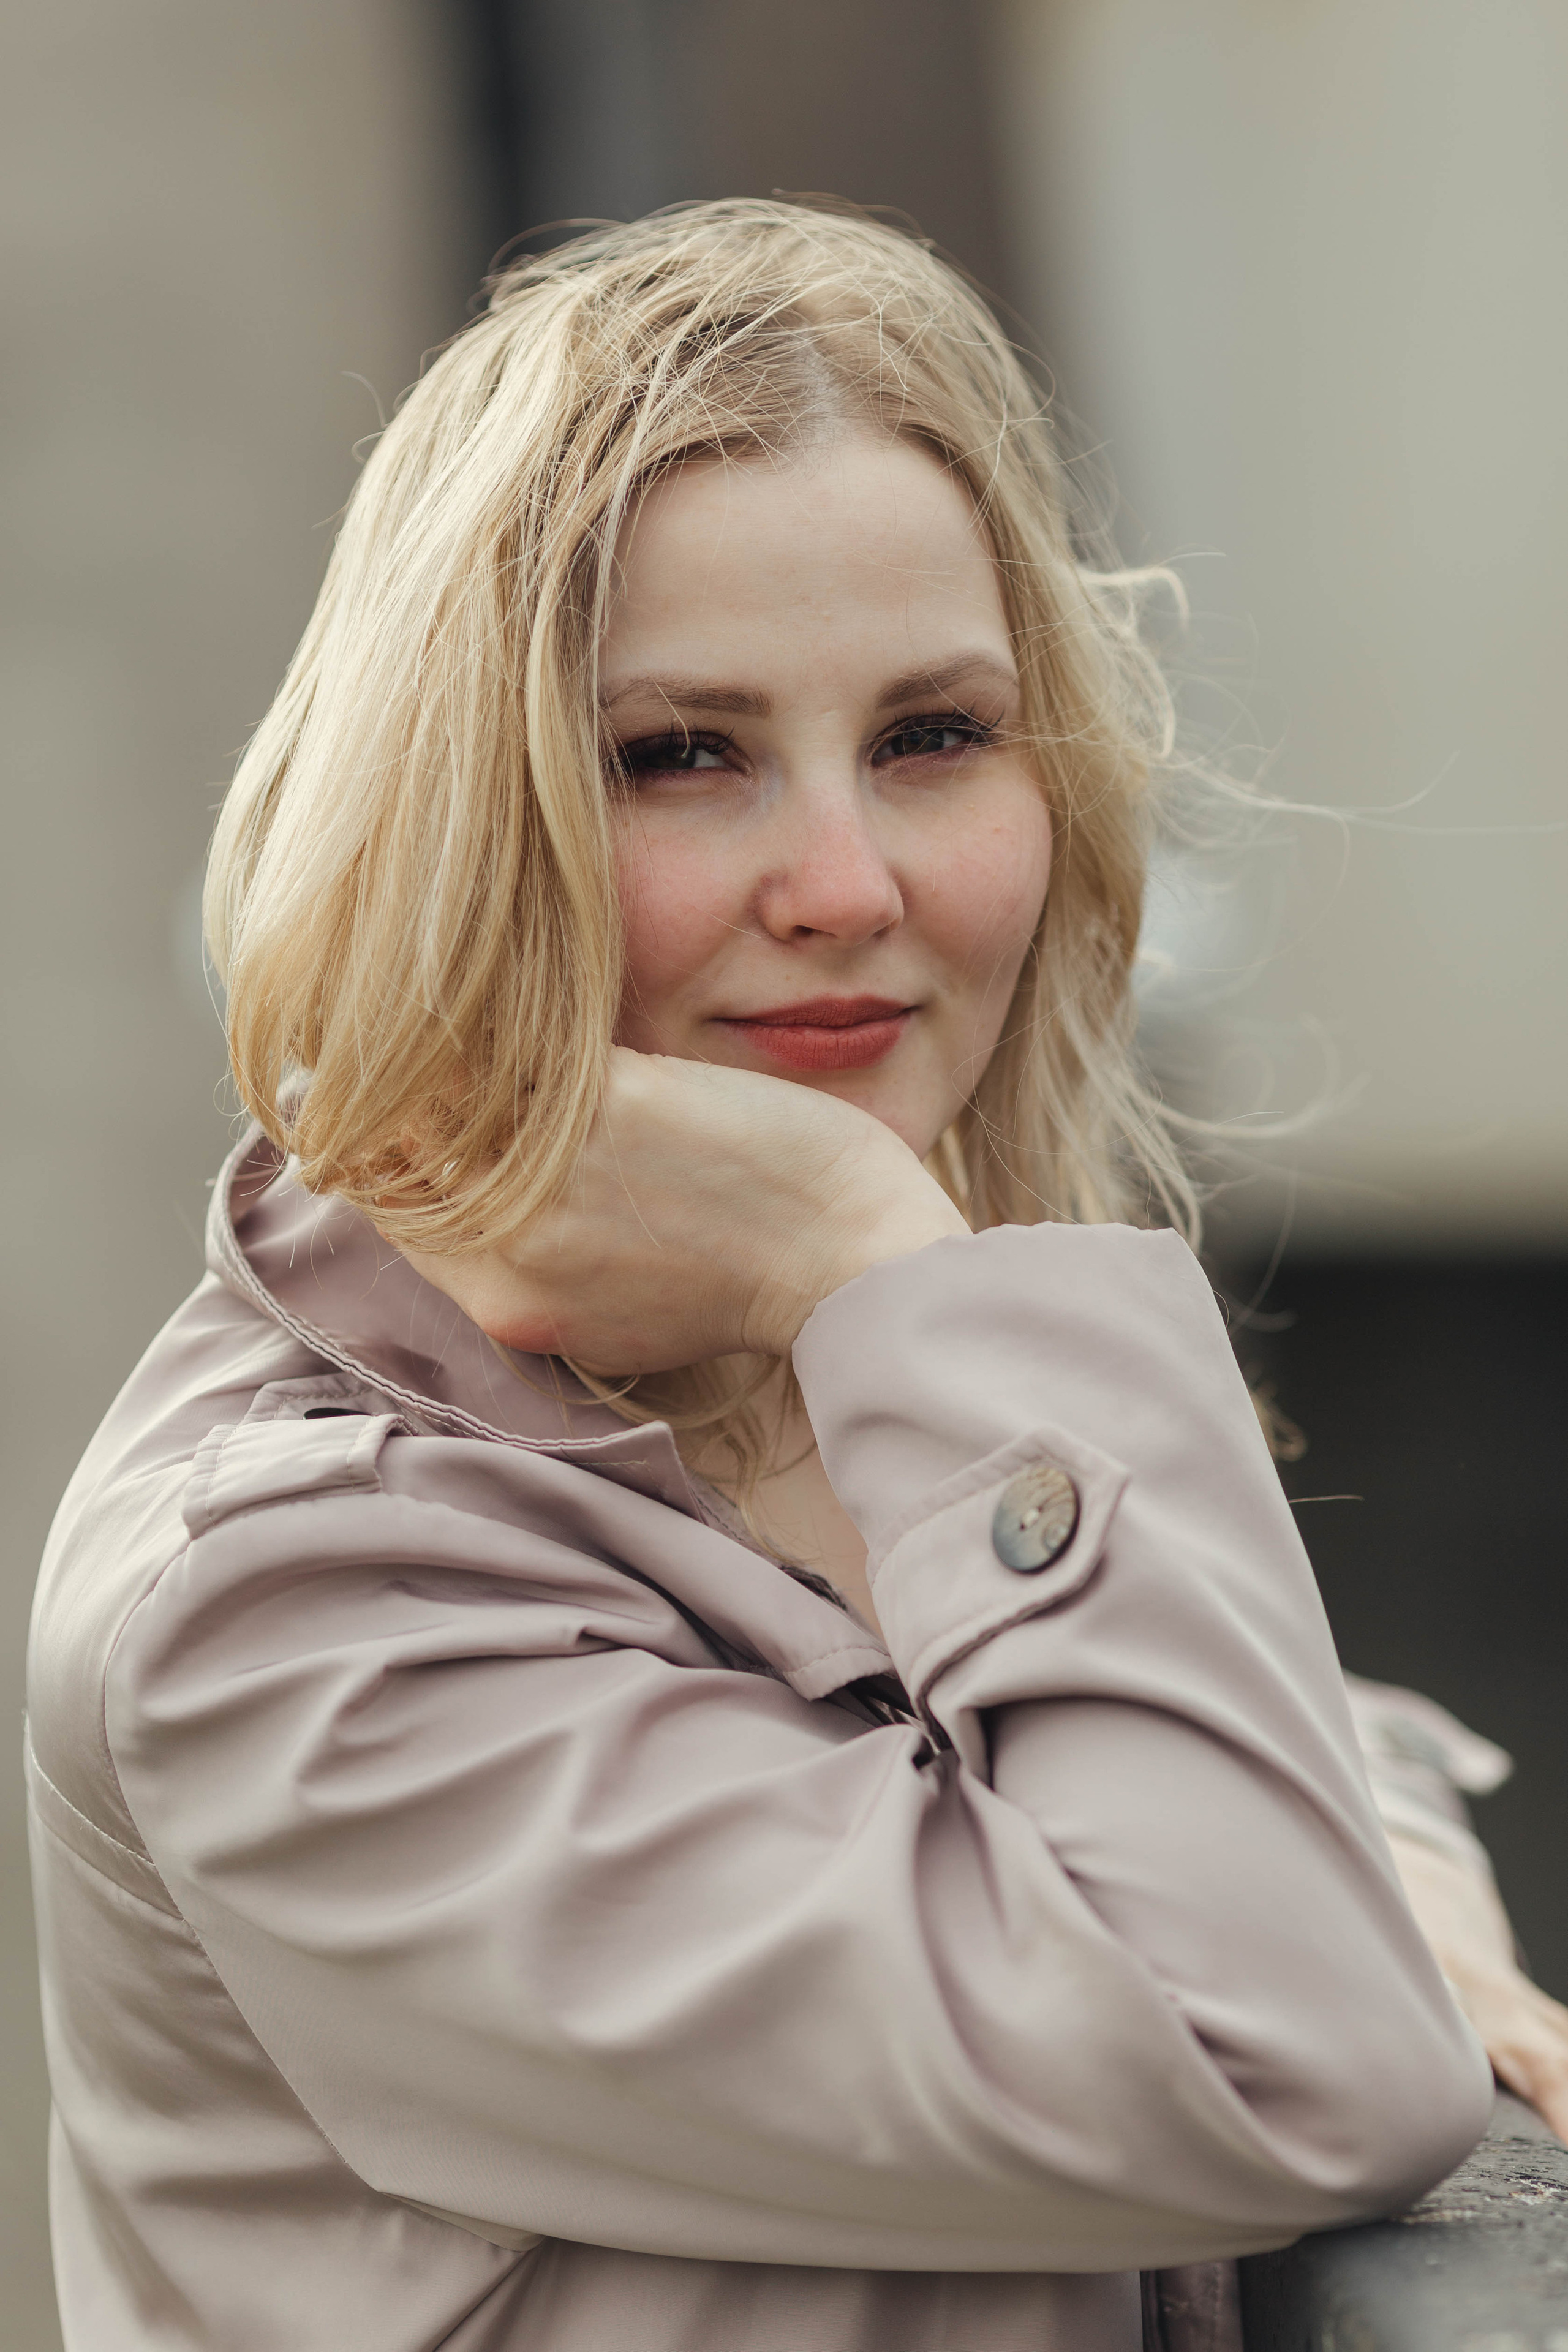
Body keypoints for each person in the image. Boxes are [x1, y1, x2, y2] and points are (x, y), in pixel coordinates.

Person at [25, 199, 1564, 2352]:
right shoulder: (293, 1614)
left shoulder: (810, 1362)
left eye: (934, 735)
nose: (847, 887)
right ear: (470, 816)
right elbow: (1268, 2046)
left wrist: (1379, 1868)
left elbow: (1318, 1735)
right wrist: (860, 1249)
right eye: (682, 754)